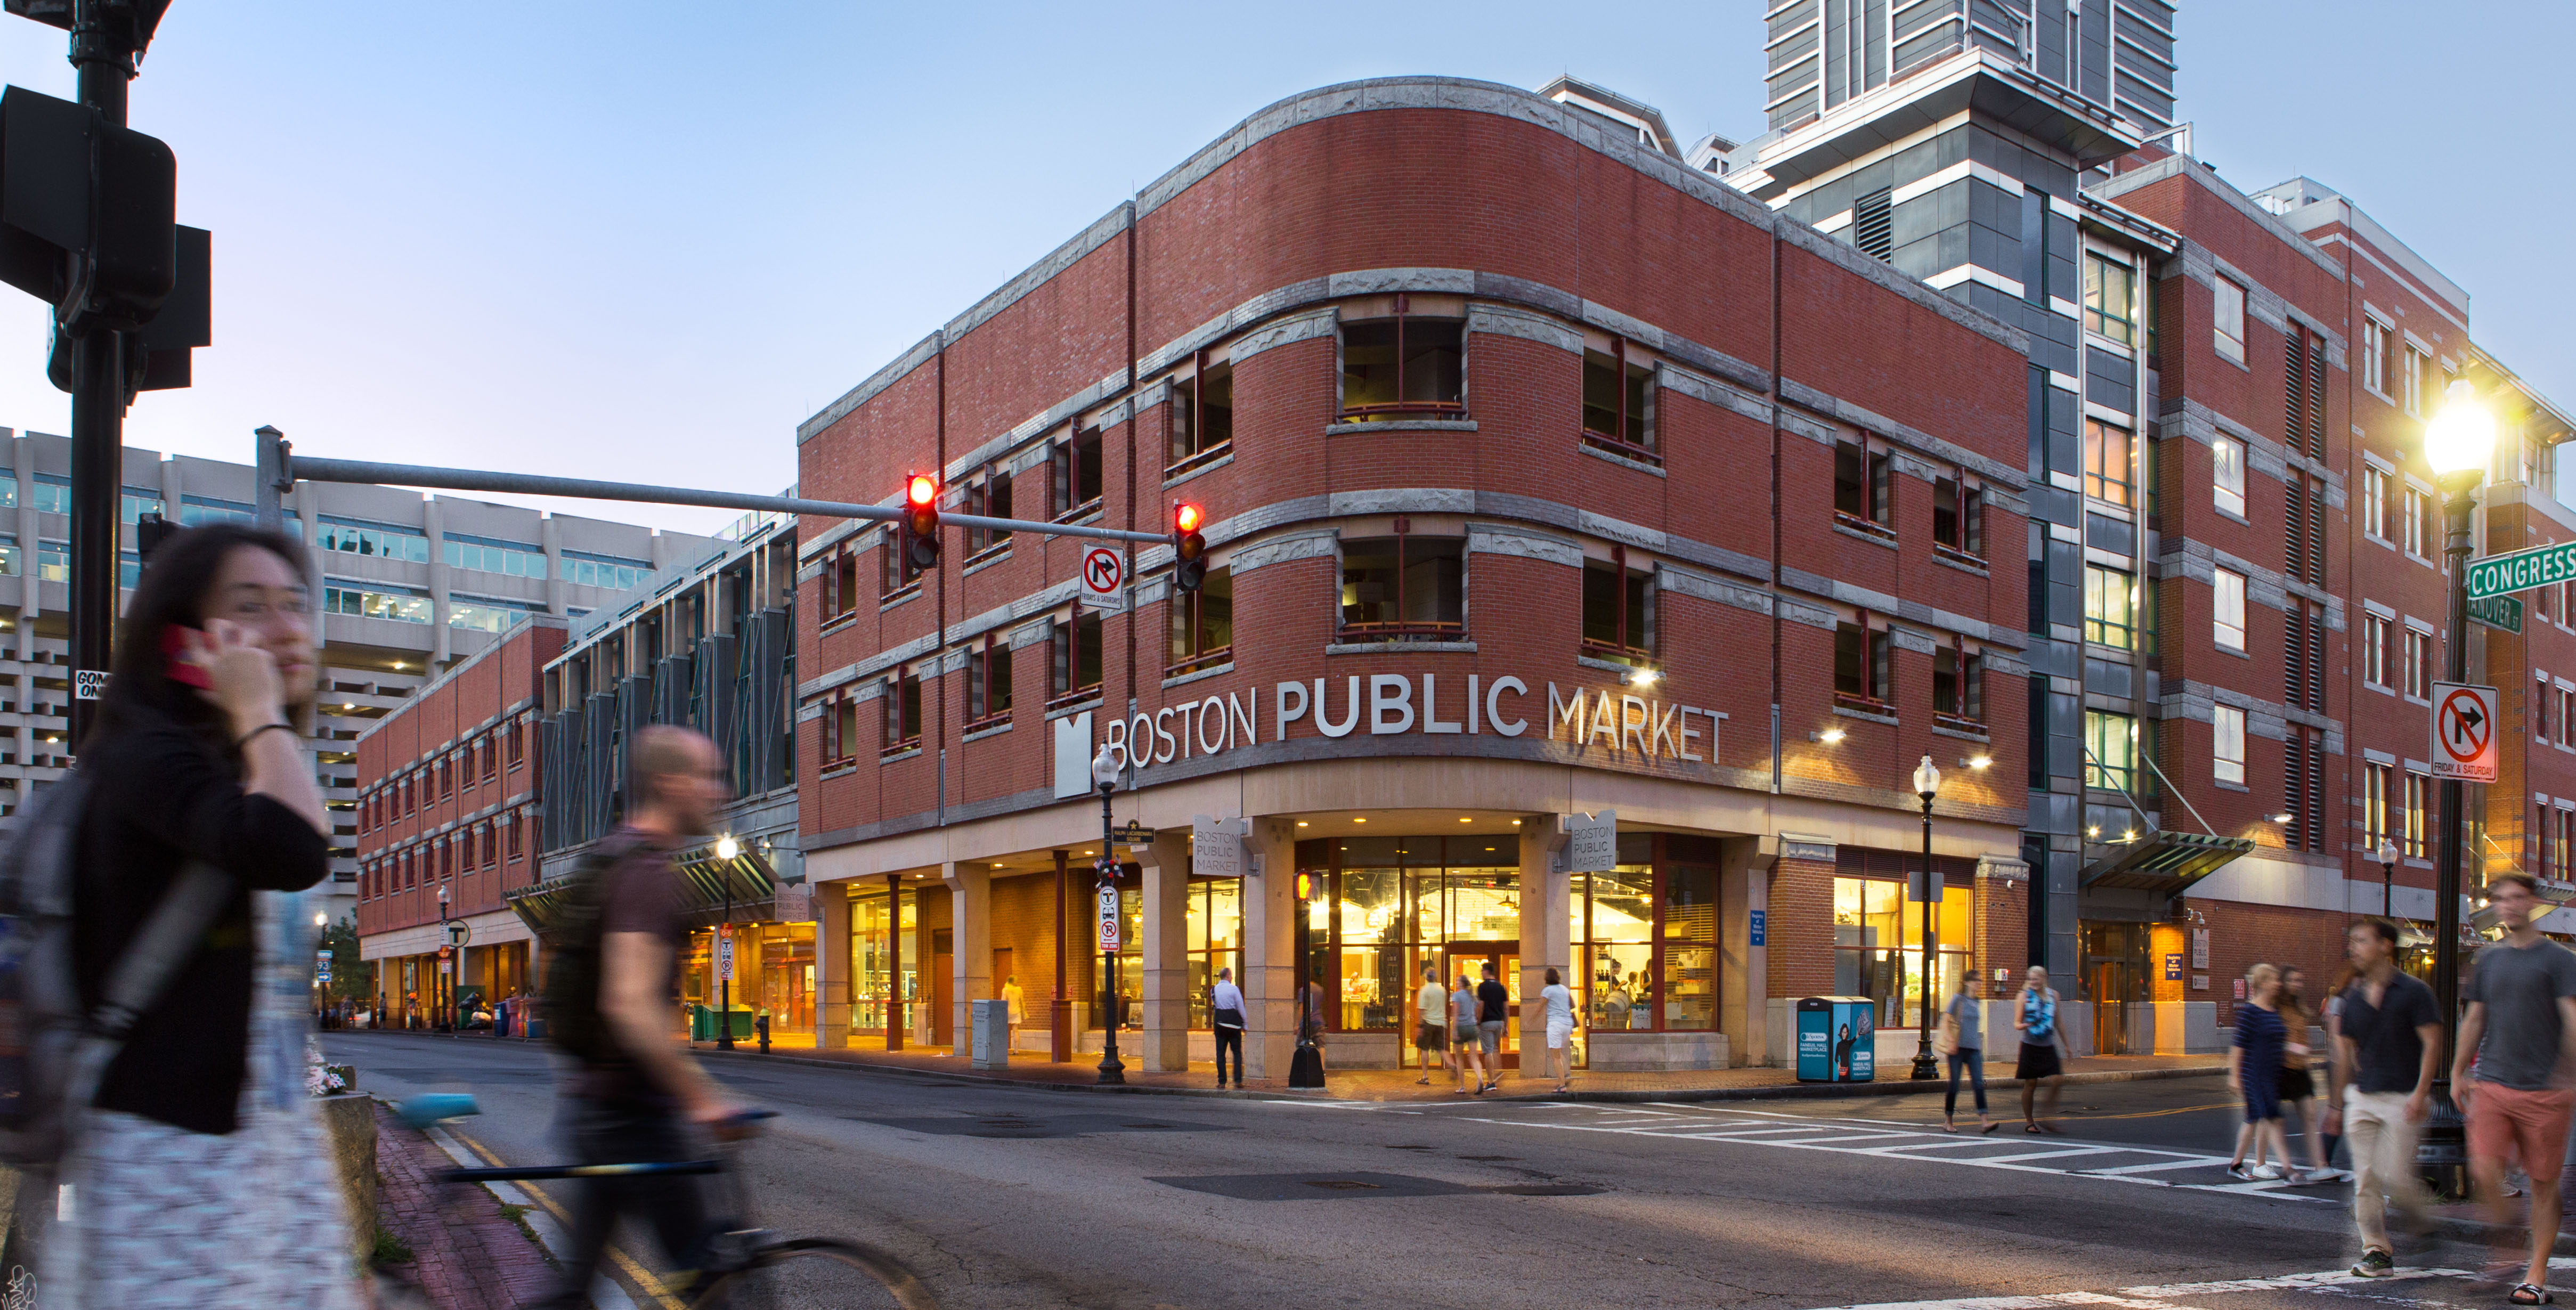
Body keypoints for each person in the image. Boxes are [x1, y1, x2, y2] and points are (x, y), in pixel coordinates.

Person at [39, 524, 358, 1308]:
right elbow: (292, 848)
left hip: (267, 1147)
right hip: (167, 1153)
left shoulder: (228, 764)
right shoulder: (143, 754)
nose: (287, 628)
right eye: (250, 606)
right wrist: (258, 708)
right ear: (186, 636)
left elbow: (276, 1013)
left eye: (296, 604)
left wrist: (325, 1247)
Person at [537, 727, 748, 1310]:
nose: (718, 792)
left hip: (595, 1103)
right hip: (631, 1114)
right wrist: (703, 1097)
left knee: (572, 1291)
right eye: (707, 777)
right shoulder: (646, 876)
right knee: (706, 1283)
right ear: (668, 782)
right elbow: (629, 1002)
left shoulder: (610, 855)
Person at [2451, 873, 2576, 1306]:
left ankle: (2535, 1274)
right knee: (2484, 1171)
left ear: (2533, 903)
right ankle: (2505, 1251)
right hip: (2493, 1082)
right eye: (2500, 899)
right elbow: (2474, 1019)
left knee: (2544, 1183)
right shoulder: (2488, 959)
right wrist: (2456, 1071)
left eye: (2516, 897)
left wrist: (2568, 1074)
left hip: (2547, 1090)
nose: (2508, 905)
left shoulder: (2559, 959)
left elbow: (2572, 1020)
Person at [2333, 918, 2442, 1277]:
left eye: (2362, 941)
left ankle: (2423, 1223)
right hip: (2363, 1096)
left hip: (2402, 1098)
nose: (2354, 948)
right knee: (2365, 1179)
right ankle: (2376, 1251)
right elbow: (2345, 1051)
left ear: (2384, 945)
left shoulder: (2413, 991)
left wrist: (2420, 1093)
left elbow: (2431, 1043)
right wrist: (2338, 1104)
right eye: (2352, 941)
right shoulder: (2352, 996)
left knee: (2395, 1175)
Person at [2228, 963, 2295, 1181]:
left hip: (2272, 1075)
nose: (2278, 984)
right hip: (2254, 1074)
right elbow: (2238, 1047)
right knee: (2259, 1116)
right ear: (2263, 983)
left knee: (2259, 1118)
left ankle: (2255, 1164)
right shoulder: (2251, 1012)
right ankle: (2242, 1164)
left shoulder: (2274, 1010)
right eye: (2274, 979)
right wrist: (2235, 1077)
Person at [2278, 966, 2335, 1183]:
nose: (2297, 984)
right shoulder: (2277, 1008)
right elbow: (2272, 1036)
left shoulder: (2299, 1008)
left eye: (2299, 980)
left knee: (2310, 1115)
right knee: (2272, 1120)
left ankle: (2320, 1165)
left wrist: (2304, 1054)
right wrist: (2291, 1047)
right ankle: (2277, 1165)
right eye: (2292, 980)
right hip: (2280, 1068)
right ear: (2283, 983)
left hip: (2301, 1069)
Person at [2013, 965, 2067, 1133]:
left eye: (2036, 979)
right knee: (2031, 1084)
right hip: (2030, 1046)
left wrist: (2067, 1045)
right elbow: (2016, 1022)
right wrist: (2022, 1025)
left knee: (2058, 1079)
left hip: (2047, 1046)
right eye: (2030, 979)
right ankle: (2030, 1122)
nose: (2033, 982)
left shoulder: (2054, 996)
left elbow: (2058, 1022)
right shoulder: (2024, 997)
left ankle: (2046, 1114)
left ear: (2044, 979)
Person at [1944, 973, 1994, 1133]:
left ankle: (1985, 1122)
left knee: (1979, 1084)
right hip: (1957, 1049)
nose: (1978, 984)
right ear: (1966, 982)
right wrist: (1952, 1041)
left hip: (1974, 1049)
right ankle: (1948, 1121)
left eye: (1980, 980)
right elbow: (1946, 1020)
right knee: (1954, 1085)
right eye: (1975, 981)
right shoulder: (1958, 999)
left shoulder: (1977, 1001)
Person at [1538, 967, 1577, 1094]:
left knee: (1555, 1056)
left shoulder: (1547, 990)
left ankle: (1562, 1085)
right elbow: (1573, 1005)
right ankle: (1564, 1074)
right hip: (1567, 1024)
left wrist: (1530, 1020)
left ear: (1547, 978)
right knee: (1558, 1053)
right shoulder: (1564, 989)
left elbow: (1540, 1008)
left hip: (1555, 1025)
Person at [1475, 963, 1510, 1094]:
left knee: (1488, 1051)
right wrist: (1505, 1026)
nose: (1481, 973)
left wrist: (1478, 1021)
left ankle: (1491, 1082)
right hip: (1498, 1022)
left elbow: (1481, 1006)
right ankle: (1497, 1072)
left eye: (1482, 971)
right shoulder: (1501, 987)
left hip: (1487, 1022)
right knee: (1494, 1048)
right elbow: (1506, 1008)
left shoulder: (1483, 987)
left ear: (1487, 971)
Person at [1209, 966, 1246, 1088]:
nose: (1232, 978)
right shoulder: (1234, 989)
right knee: (1237, 1053)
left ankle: (1222, 1081)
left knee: (1220, 1053)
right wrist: (1245, 1024)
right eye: (1231, 976)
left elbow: (1216, 1005)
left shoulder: (1213, 990)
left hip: (1220, 1025)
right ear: (1228, 976)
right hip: (1234, 1026)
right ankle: (1238, 1080)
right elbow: (1240, 1007)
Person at [1413, 964, 1449, 1086]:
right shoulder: (1442, 990)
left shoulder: (1424, 990)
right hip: (1440, 1023)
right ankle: (1453, 1065)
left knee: (1424, 1049)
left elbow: (1421, 1009)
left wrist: (1418, 1025)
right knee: (1440, 1049)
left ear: (1426, 977)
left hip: (1428, 1023)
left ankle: (1425, 1076)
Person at [1450, 972, 1483, 1094]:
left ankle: (1462, 1086)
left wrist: (1454, 1030)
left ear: (1462, 984)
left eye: (1458, 981)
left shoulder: (1457, 996)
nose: (1457, 983)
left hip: (1461, 1027)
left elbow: (1456, 1013)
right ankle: (1480, 1078)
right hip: (1472, 1027)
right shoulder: (1472, 996)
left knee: (1459, 1058)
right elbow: (1478, 1010)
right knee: (1474, 1057)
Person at [1001, 972, 1026, 1057]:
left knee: (1004, 1031)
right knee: (1015, 1031)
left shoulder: (1005, 990)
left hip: (1007, 1011)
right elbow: (1022, 1002)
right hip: (1017, 1011)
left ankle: (1003, 1049)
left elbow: (1003, 1001)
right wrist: (1024, 1011)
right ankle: (1016, 1050)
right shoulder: (1019, 990)